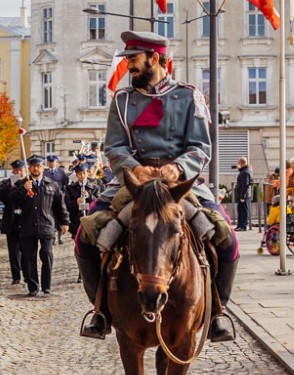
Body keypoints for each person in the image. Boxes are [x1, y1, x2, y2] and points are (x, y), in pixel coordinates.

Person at [74, 29, 238, 342]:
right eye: (127, 60)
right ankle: (100, 312)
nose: (129, 66)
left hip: (181, 186)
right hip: (133, 184)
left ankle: (218, 312)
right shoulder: (121, 101)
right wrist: (136, 169)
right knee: (86, 236)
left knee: (225, 238)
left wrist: (178, 168)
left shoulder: (191, 96)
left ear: (155, 58)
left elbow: (201, 146)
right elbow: (113, 147)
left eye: (133, 59)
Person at [7, 159, 69, 295]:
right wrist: (23, 189)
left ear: (43, 168)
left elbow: (60, 205)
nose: (36, 169)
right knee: (29, 258)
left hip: (46, 225)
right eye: (33, 166)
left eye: (39, 166)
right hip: (27, 226)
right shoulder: (21, 183)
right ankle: (33, 287)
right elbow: (12, 199)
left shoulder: (52, 185)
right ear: (29, 168)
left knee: (47, 254)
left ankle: (47, 286)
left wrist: (64, 222)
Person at [0, 160, 25, 284]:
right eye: (16, 170)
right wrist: (11, 186)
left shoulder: (28, 182)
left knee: (26, 250)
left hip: (26, 221)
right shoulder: (6, 183)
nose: (18, 172)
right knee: (13, 251)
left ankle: (27, 272)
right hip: (12, 220)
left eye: (20, 170)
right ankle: (16, 276)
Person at [234, 157, 254, 230]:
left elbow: (245, 184)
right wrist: (239, 169)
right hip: (244, 194)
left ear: (240, 163)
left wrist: (242, 196)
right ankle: (240, 225)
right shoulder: (247, 170)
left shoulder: (245, 172)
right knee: (241, 210)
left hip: (244, 194)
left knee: (243, 210)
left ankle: (243, 226)